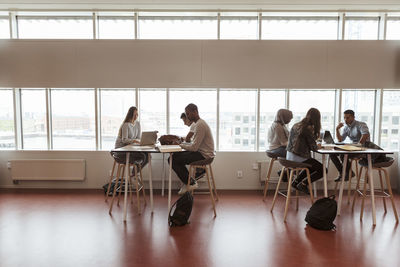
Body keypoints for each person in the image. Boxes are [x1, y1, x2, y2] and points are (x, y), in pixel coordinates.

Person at [171, 103, 215, 195]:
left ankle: (190, 183)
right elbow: (195, 144)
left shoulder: (200, 125)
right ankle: (188, 182)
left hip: (204, 156)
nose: (187, 116)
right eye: (186, 114)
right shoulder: (198, 124)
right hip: (202, 153)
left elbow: (194, 148)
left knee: (173, 159)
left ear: (195, 112)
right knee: (174, 157)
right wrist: (182, 144)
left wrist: (181, 145)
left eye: (188, 113)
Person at [286, 108, 324, 194]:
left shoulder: (296, 125)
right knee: (323, 170)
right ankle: (303, 184)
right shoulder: (308, 128)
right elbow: (313, 148)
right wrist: (318, 146)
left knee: (312, 166)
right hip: (298, 157)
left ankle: (295, 182)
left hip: (289, 156)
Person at [331, 109, 370, 182]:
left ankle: (347, 173)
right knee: (332, 154)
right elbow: (340, 140)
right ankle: (343, 172)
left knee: (343, 154)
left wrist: (358, 145)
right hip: (352, 148)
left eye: (347, 117)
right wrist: (337, 129)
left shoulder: (361, 124)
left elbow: (365, 134)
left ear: (353, 117)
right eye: (344, 118)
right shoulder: (346, 127)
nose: (345, 120)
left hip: (363, 149)